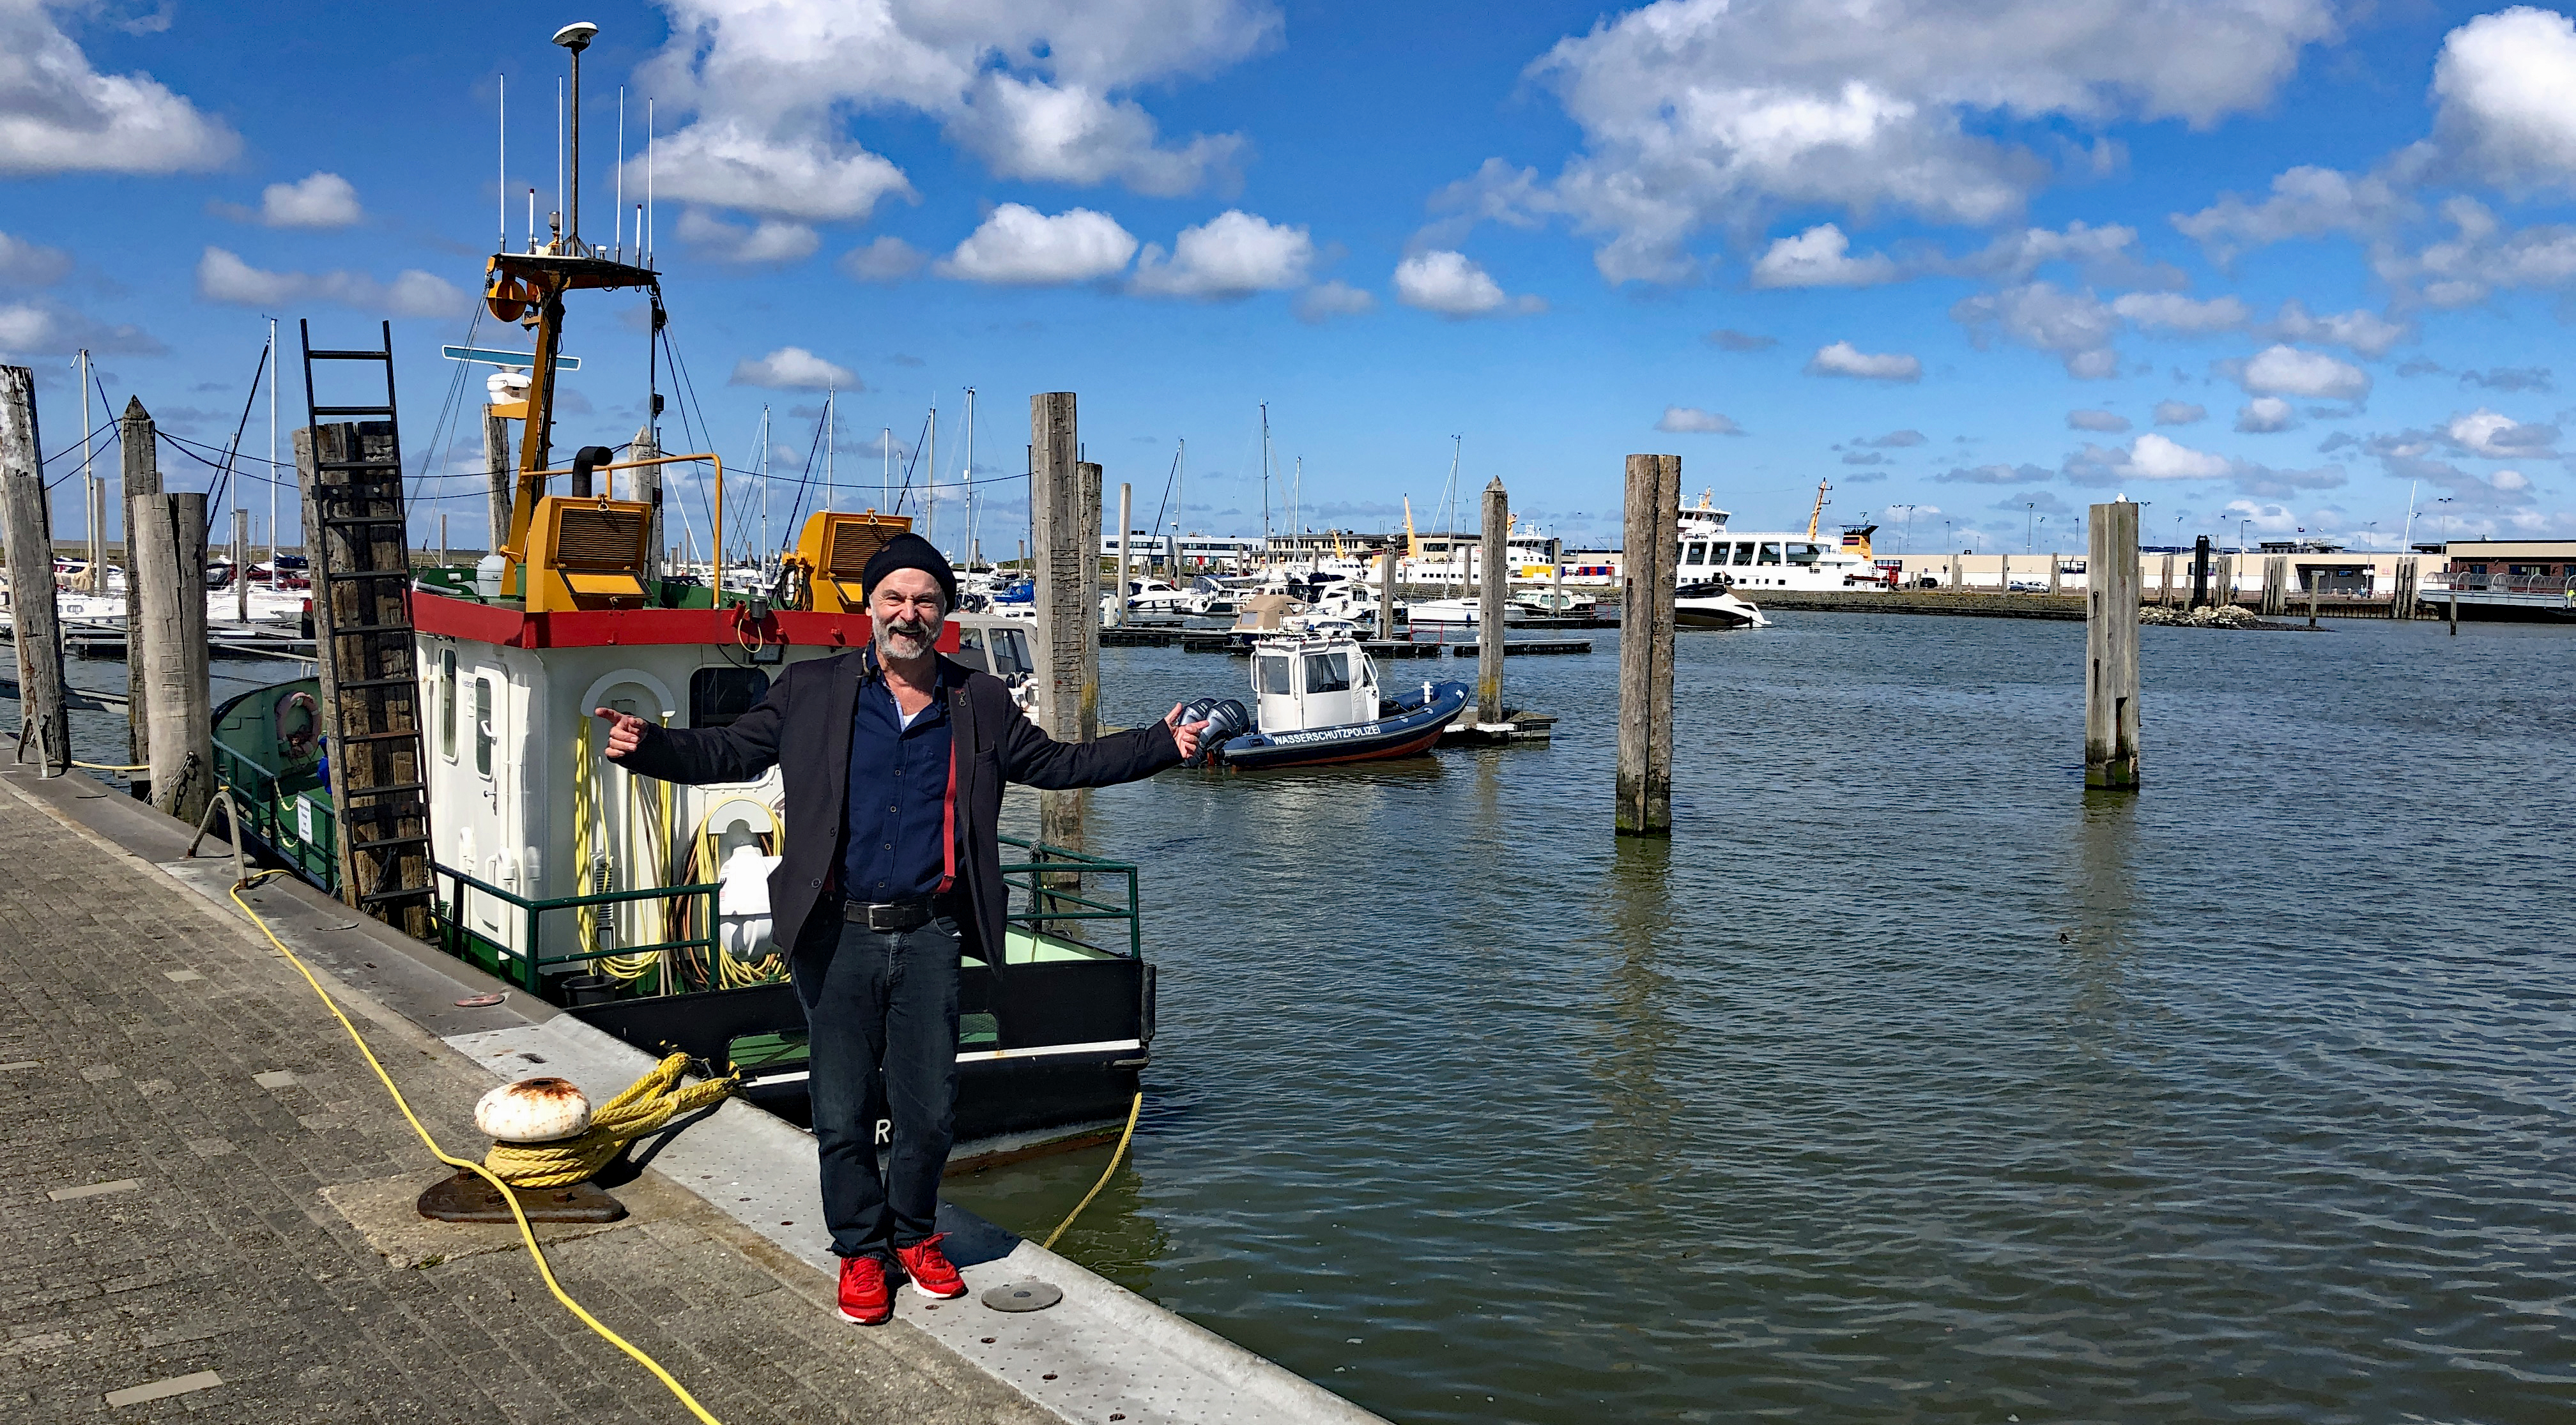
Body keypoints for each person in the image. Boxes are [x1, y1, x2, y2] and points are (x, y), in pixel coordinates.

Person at [595, 533, 1205, 1325]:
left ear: (944, 613)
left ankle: (916, 1234)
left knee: (928, 1104)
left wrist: (1160, 745)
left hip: (930, 933)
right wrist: (654, 748)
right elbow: (733, 749)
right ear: (870, 607)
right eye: (894, 597)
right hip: (834, 931)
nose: (908, 613)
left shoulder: (977, 699)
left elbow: (1058, 765)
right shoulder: (812, 690)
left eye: (924, 599)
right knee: (842, 1102)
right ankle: (860, 1248)